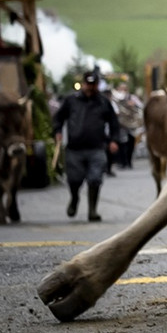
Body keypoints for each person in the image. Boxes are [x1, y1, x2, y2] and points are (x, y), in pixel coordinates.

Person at [53, 71, 120, 222]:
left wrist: (113, 140)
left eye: (93, 84)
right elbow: (59, 117)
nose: (90, 87)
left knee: (95, 179)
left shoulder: (103, 102)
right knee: (74, 180)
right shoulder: (71, 100)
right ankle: (75, 198)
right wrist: (57, 131)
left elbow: (113, 123)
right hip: (75, 148)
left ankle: (92, 211)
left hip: (97, 147)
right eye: (88, 84)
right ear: (83, 84)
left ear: (97, 85)